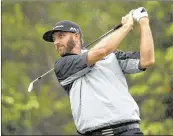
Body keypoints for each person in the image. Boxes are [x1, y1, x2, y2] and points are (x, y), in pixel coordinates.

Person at [42, 7, 155, 136]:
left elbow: (147, 60)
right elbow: (100, 52)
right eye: (54, 39)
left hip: (129, 131)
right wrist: (127, 27)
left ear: (76, 36)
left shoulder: (111, 55)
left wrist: (143, 21)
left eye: (61, 36)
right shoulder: (62, 65)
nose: (56, 42)